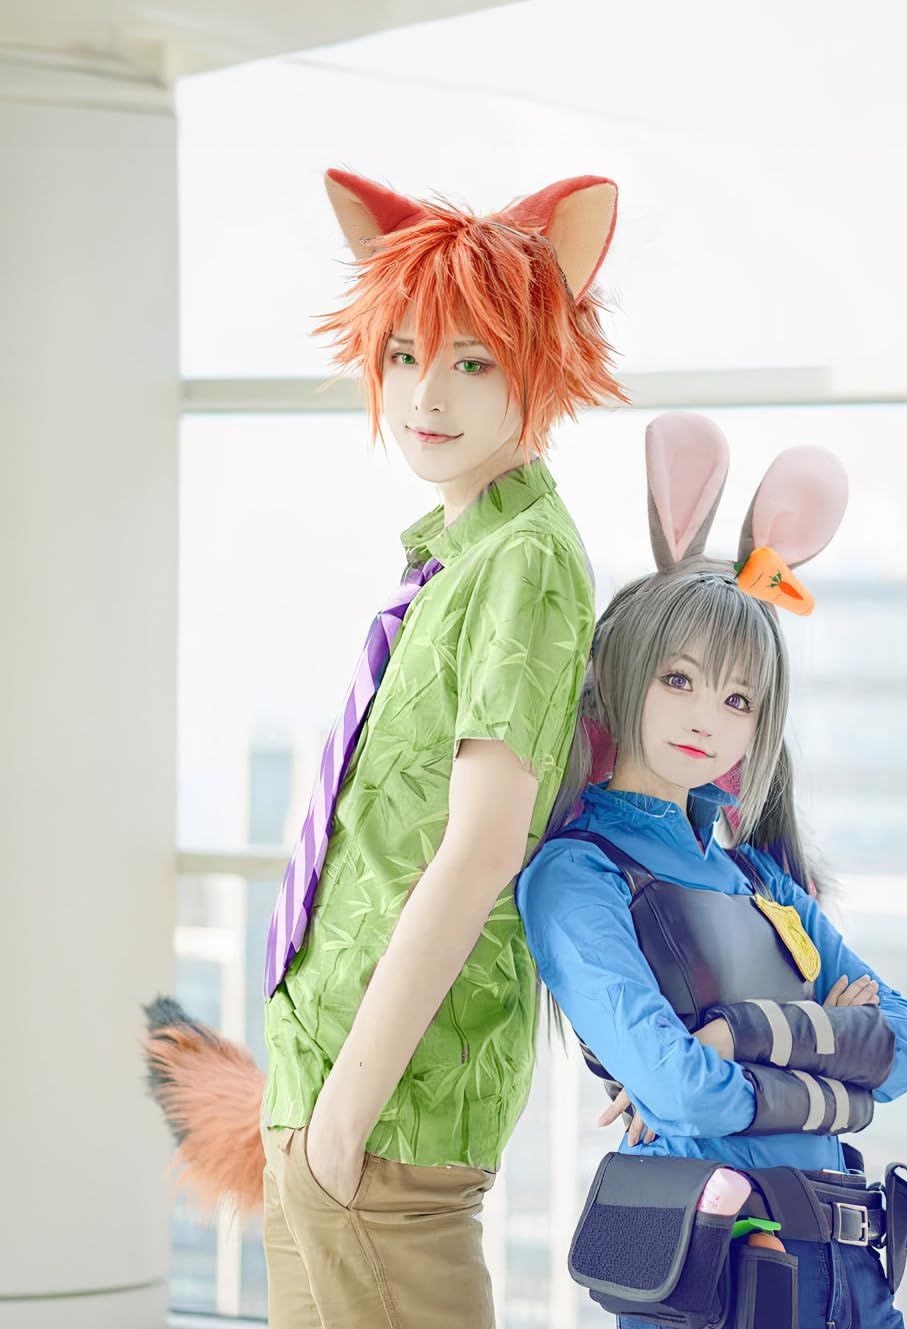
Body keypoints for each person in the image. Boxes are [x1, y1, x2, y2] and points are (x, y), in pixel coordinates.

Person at [144, 168, 625, 1329]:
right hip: (326, 1088)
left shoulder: (525, 561)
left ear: (541, 363)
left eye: (472, 362)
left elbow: (482, 847)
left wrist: (347, 1118)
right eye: (404, 355)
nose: (426, 394)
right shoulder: (455, 558)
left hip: (386, 1111)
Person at [516, 412, 907, 1328]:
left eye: (738, 696)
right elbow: (676, 1087)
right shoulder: (578, 875)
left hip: (853, 1272)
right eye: (679, 678)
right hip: (719, 1273)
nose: (707, 715)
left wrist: (735, 1031)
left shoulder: (756, 876)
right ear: (619, 671)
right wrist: (832, 1052)